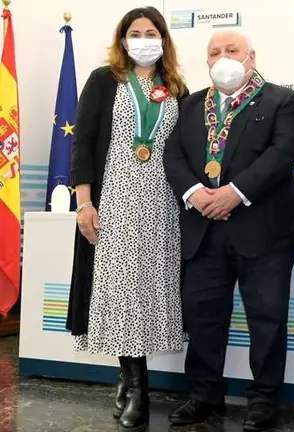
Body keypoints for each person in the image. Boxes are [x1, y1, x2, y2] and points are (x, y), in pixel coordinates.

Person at [162, 30, 294, 432]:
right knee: (203, 315)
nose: (223, 57)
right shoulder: (191, 105)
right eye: (215, 52)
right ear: (206, 61)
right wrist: (196, 193)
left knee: (266, 317)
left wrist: (234, 193)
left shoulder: (282, 100)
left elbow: (283, 153)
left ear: (251, 57)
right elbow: (172, 154)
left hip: (264, 229)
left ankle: (263, 399)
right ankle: (204, 394)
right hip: (203, 227)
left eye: (232, 50)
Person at [66, 6, 188, 432]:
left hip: (162, 205)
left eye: (150, 31)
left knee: (149, 293)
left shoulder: (176, 87)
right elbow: (81, 144)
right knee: (121, 293)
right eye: (134, 32)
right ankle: (139, 387)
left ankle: (126, 378)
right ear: (122, 40)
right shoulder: (104, 81)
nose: (143, 38)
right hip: (114, 201)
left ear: (163, 39)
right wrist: (84, 203)